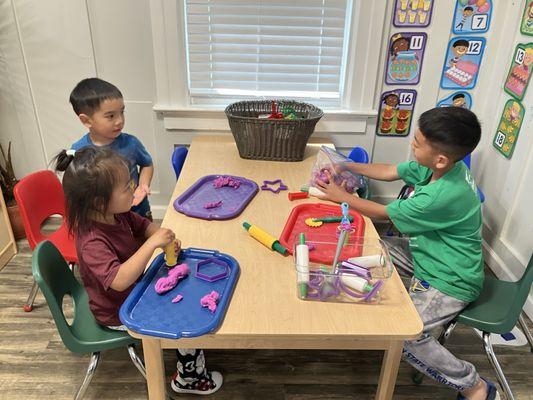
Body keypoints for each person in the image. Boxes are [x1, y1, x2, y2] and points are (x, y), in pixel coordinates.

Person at [315, 107, 500, 400]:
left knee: (406, 335)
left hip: (451, 278)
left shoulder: (440, 196)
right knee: (364, 245)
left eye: (417, 142)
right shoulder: (442, 167)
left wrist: (342, 197)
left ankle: (474, 386)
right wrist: (349, 167)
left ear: (440, 157)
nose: (412, 144)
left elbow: (384, 212)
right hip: (428, 254)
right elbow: (391, 171)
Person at [55, 146, 222, 395]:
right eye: (125, 186)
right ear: (100, 202)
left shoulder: (116, 215)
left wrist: (161, 238)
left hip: (135, 291)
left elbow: (143, 226)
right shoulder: (92, 241)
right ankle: (190, 378)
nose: (133, 187)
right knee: (179, 312)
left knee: (184, 289)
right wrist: (152, 245)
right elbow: (120, 280)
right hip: (117, 310)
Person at [69, 78, 154, 220]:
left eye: (122, 112)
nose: (120, 120)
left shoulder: (131, 143)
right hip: (106, 221)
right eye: (111, 116)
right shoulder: (79, 151)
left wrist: (143, 185)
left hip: (138, 211)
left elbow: (147, 163)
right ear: (86, 120)